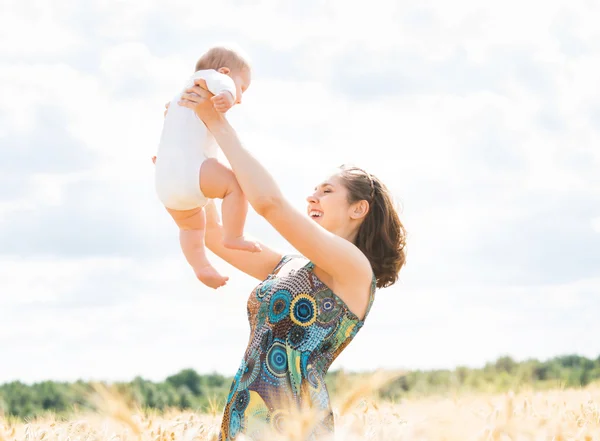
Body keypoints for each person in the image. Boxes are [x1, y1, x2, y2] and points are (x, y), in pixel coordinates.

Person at [172, 78, 407, 440]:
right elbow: (215, 238)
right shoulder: (290, 266)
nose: (312, 197)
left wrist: (217, 123)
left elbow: (269, 204)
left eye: (327, 191)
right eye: (314, 190)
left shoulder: (354, 269)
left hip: (295, 424)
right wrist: (185, 175)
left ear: (359, 209)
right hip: (246, 416)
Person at [154, 46, 259, 290]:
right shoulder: (206, 79)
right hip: (193, 169)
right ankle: (234, 236)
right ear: (223, 71)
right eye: (242, 88)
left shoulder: (178, 101)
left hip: (165, 183)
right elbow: (224, 83)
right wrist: (228, 95)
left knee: (190, 226)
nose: (241, 98)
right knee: (236, 186)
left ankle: (200, 266)